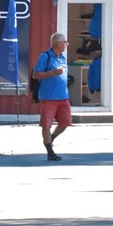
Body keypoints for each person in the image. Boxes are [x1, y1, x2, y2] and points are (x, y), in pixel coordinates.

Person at [30, 32, 72, 161]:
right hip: (48, 96)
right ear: (58, 43)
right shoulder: (46, 56)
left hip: (63, 96)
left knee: (65, 122)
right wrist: (53, 73)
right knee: (46, 125)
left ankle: (51, 139)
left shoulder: (63, 58)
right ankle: (50, 152)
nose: (67, 44)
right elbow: (35, 74)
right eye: (65, 42)